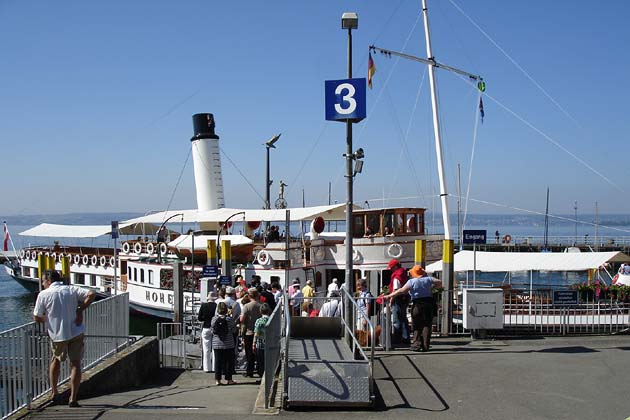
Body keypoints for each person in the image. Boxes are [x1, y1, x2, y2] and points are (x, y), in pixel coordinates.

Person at [33, 270, 95, 407]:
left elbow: (36, 317)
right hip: (76, 331)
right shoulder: (71, 289)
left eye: (43, 281)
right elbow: (91, 293)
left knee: (55, 361)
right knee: (75, 363)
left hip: (57, 334)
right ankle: (73, 398)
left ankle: (55, 392)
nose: (42, 284)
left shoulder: (43, 294)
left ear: (48, 281)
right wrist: (80, 309)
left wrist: (48, 319)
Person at [385, 265, 440, 352]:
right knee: (427, 325)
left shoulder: (412, 281)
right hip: (429, 303)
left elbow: (401, 290)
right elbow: (439, 282)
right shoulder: (429, 279)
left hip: (417, 303)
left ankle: (416, 344)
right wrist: (433, 288)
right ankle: (426, 345)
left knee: (416, 325)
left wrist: (389, 295)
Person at [211, 302, 237, 385]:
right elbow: (233, 330)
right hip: (228, 343)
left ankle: (217, 380)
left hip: (216, 343)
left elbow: (212, 331)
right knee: (228, 362)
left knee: (218, 362)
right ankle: (229, 379)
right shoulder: (229, 319)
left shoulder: (214, 319)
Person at [387, 259, 410, 344]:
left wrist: (391, 299)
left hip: (398, 298)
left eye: (391, 267)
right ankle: (406, 337)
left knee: (397, 320)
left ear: (395, 266)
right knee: (403, 318)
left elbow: (396, 289)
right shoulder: (403, 273)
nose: (390, 269)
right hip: (405, 297)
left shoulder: (397, 276)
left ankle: (398, 339)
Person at [240, 289, 261, 378]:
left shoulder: (247, 306)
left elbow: (242, 319)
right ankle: (260, 370)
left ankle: (250, 371)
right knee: (259, 353)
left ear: (249, 296)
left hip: (249, 331)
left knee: (249, 353)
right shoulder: (261, 305)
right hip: (259, 332)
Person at [198, 291, 218, 373]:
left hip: (206, 327)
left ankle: (206, 368)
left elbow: (199, 318)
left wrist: (205, 318)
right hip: (214, 328)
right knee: (214, 349)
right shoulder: (216, 306)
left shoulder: (203, 305)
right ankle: (214, 367)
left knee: (206, 349)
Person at [253, 303, 271, 378]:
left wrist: (253, 343)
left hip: (260, 344)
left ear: (260, 311)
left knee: (260, 362)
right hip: (270, 344)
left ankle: (262, 377)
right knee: (268, 362)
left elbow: (256, 333)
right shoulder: (272, 320)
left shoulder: (259, 321)